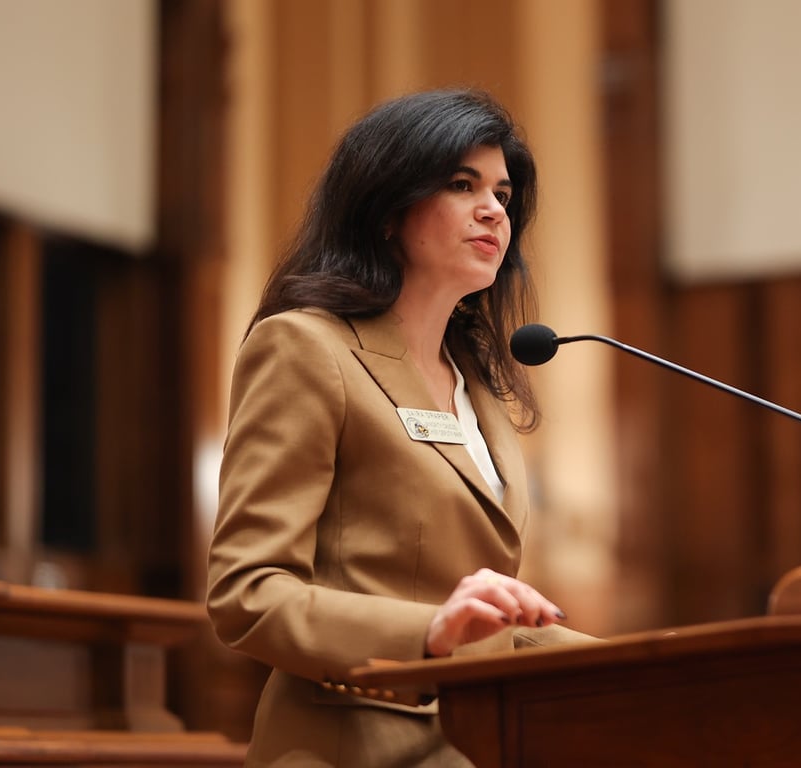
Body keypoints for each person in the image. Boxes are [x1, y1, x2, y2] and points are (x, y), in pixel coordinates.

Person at [206, 89, 587, 767]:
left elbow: (491, 632)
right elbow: (248, 593)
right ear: (386, 209)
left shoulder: (476, 386)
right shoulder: (305, 348)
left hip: (472, 743)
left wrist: (663, 671)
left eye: (502, 192)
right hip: (348, 745)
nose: (494, 209)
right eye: (461, 184)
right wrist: (431, 631)